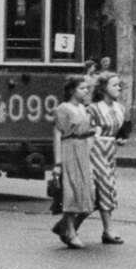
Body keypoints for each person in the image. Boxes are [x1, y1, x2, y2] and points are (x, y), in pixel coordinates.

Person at [50, 76, 97, 249]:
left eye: (87, 88)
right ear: (71, 91)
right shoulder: (63, 109)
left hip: (84, 151)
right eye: (82, 88)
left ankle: (65, 227)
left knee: (89, 194)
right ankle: (70, 231)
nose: (86, 91)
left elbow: (90, 132)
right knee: (71, 192)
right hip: (69, 149)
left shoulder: (85, 109)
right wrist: (57, 163)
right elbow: (57, 135)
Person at [87, 72, 129, 245]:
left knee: (107, 188)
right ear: (104, 88)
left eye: (119, 85)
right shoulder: (94, 108)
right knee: (105, 186)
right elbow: (89, 132)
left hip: (110, 151)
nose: (118, 88)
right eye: (114, 85)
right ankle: (108, 229)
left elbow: (123, 128)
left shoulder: (120, 108)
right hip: (95, 149)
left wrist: (122, 137)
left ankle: (69, 226)